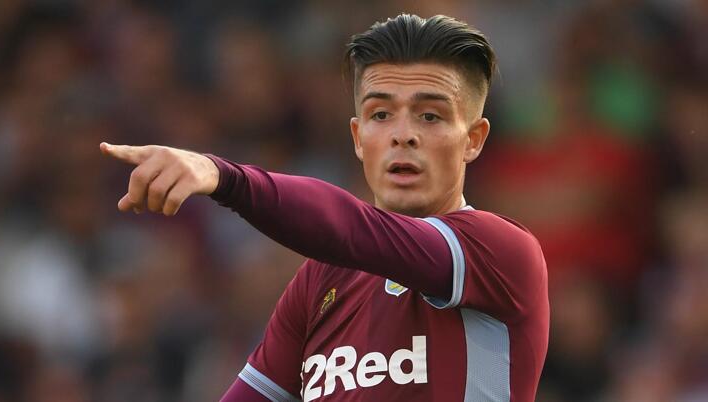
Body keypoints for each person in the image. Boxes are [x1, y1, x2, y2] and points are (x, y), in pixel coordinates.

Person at [101, 14, 549, 402]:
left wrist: (225, 178)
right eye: (380, 115)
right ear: (358, 138)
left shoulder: (500, 253)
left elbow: (349, 227)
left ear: (473, 140)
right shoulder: (320, 282)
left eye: (430, 116)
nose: (403, 135)